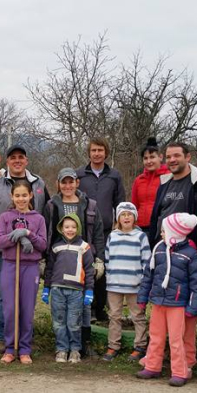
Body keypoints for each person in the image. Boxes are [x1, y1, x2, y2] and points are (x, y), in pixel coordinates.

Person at [0, 144, 49, 353]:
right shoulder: (6, 217)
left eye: (25, 195)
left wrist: (28, 234)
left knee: (26, 309)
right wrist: (12, 236)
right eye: (18, 196)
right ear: (12, 197)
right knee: (9, 308)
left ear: (31, 196)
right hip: (9, 264)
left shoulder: (38, 219)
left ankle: (24, 348)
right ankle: (9, 347)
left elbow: (42, 245)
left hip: (30, 266)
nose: (21, 199)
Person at [42, 167, 105, 358]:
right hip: (61, 259)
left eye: (71, 182)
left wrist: (99, 259)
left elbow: (98, 234)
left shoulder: (90, 205)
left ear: (77, 183)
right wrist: (45, 259)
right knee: (62, 310)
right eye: (64, 182)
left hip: (84, 259)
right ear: (58, 184)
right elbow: (47, 232)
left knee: (83, 307)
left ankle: (83, 344)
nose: (68, 185)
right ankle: (63, 346)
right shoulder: (52, 205)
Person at [136, 213, 197, 387]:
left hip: (178, 304)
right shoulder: (158, 249)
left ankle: (180, 370)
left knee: (176, 339)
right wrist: (143, 297)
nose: (161, 234)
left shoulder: (190, 254)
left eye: (165, 231)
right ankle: (152, 365)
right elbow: (148, 276)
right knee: (156, 336)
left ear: (175, 233)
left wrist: (193, 307)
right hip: (158, 301)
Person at [76, 137, 126, 322]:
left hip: (105, 231)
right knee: (84, 268)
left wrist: (119, 226)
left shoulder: (114, 175)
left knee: (102, 268)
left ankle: (100, 308)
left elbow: (120, 203)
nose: (97, 154)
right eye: (94, 150)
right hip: (82, 230)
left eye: (100, 150)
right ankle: (85, 307)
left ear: (106, 153)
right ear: (89, 153)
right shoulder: (79, 174)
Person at [101, 202, 151, 363]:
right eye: (123, 214)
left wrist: (143, 280)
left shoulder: (141, 236)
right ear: (118, 218)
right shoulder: (112, 236)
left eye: (130, 214)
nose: (126, 217)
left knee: (137, 316)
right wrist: (109, 276)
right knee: (114, 315)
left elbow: (147, 260)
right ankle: (113, 345)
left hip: (134, 284)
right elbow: (107, 259)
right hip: (114, 283)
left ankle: (140, 346)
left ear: (135, 217)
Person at [42, 213, 94, 364]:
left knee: (74, 322)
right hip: (57, 289)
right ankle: (61, 349)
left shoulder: (84, 247)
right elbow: (50, 269)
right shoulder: (56, 247)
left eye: (73, 227)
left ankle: (75, 350)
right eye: (67, 227)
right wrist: (46, 288)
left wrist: (89, 290)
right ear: (61, 229)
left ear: (78, 228)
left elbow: (89, 270)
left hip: (76, 291)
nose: (70, 230)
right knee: (58, 322)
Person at [148, 142, 197, 248]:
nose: (172, 160)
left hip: (188, 249)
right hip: (162, 246)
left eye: (177, 155)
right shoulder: (164, 183)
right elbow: (155, 218)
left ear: (188, 157)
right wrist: (152, 243)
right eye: (168, 157)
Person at [131, 137, 169, 229]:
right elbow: (134, 205)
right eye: (145, 158)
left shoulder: (168, 177)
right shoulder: (139, 180)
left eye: (152, 157)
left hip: (161, 228)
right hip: (140, 227)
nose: (149, 161)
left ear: (160, 157)